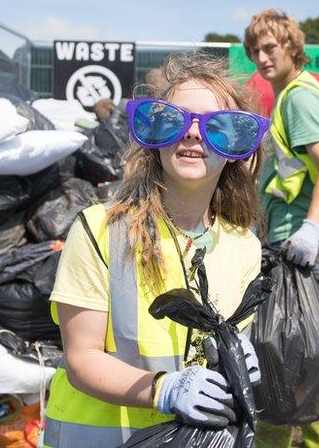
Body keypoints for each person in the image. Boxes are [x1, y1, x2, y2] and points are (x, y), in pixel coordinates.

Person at [43, 53, 270, 447]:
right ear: (154, 133)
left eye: (217, 126)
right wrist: (163, 390)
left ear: (237, 145)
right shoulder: (100, 230)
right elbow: (81, 359)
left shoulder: (244, 246)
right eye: (174, 120)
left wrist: (237, 358)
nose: (194, 134)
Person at [244, 9, 319, 447]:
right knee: (296, 355)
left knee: (289, 358)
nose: (262, 57)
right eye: (255, 50)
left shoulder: (298, 97)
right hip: (290, 243)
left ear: (293, 47)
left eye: (270, 47)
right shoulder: (292, 94)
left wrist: (310, 228)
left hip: (299, 248)